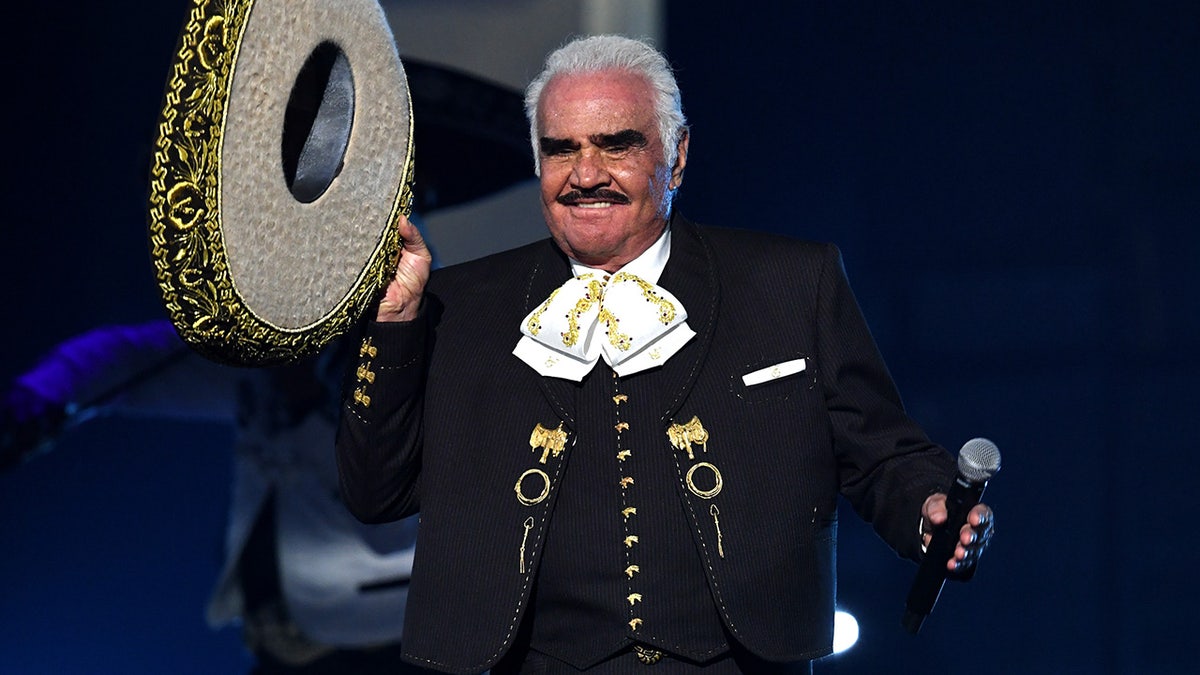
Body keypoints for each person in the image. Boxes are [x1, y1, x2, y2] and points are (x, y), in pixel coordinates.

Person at [336, 35, 995, 674]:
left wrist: (929, 507)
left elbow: (883, 452)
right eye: (561, 149)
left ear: (676, 157)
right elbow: (377, 491)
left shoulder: (791, 283)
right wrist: (395, 324)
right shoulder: (462, 304)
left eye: (615, 145)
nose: (585, 174)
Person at [1, 320, 426, 674]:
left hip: (387, 648)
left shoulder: (410, 357)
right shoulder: (264, 347)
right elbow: (126, 357)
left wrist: (310, 412)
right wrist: (36, 396)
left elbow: (394, 531)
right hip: (284, 648)